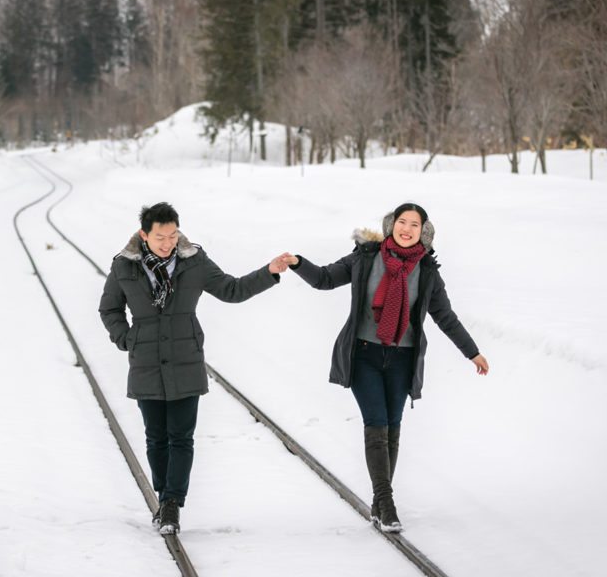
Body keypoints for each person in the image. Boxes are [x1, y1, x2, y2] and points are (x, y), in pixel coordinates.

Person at [281, 202, 488, 533]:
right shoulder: (365, 257)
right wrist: (297, 263)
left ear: (424, 232)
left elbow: (445, 317)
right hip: (364, 355)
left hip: (402, 359)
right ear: (391, 225)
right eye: (402, 222)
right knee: (376, 423)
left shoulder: (427, 271)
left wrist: (472, 352)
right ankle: (387, 503)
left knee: (392, 428)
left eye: (414, 225)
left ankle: (379, 505)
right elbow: (324, 279)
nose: (407, 229)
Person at [99, 202, 290, 535]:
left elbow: (232, 289)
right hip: (145, 362)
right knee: (155, 437)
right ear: (145, 235)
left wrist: (269, 272)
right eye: (160, 237)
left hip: (186, 359)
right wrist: (126, 338)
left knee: (181, 437)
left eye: (173, 235)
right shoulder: (124, 267)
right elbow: (109, 309)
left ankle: (171, 504)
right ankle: (164, 496)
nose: (168, 243)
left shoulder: (193, 261)